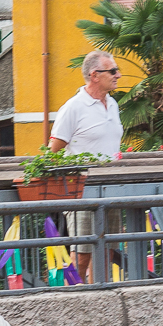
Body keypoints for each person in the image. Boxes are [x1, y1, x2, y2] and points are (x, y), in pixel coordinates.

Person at [48, 50, 124, 283]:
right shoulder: (73, 107)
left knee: (107, 250)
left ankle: (100, 296)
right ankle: (74, 298)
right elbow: (53, 151)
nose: (118, 75)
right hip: (82, 190)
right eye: (113, 71)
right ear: (94, 75)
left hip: (110, 188)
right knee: (81, 254)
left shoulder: (113, 104)